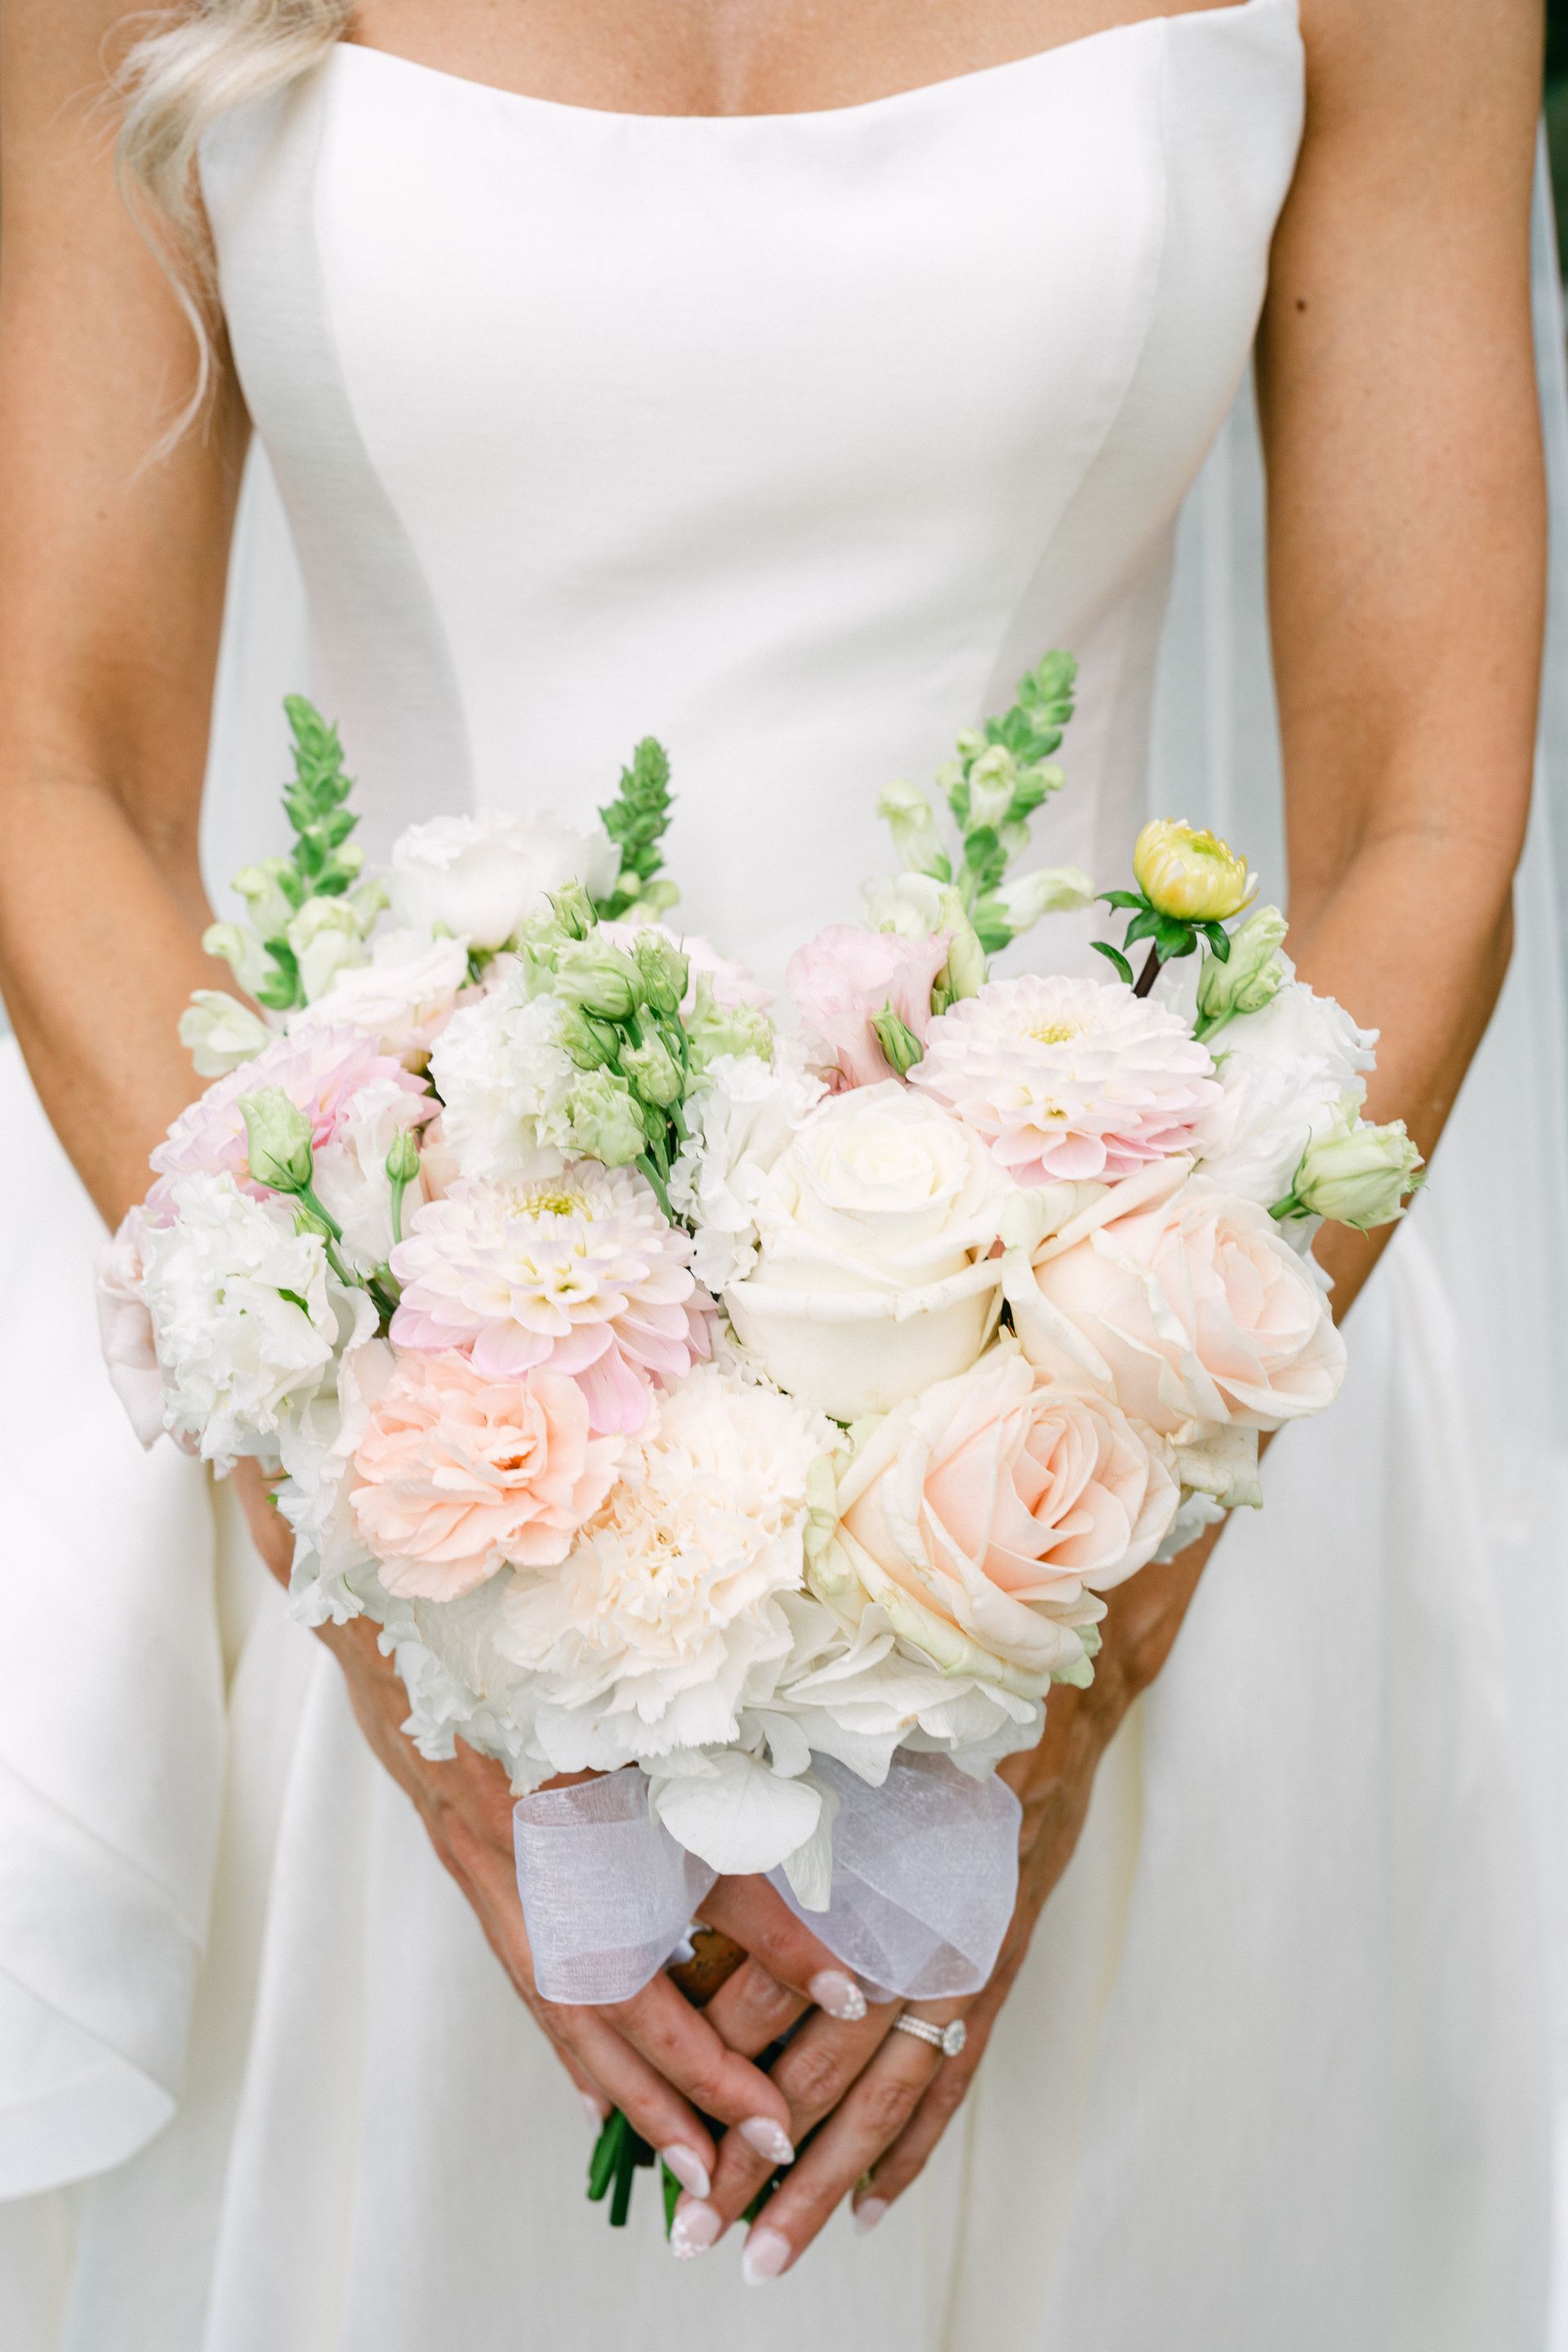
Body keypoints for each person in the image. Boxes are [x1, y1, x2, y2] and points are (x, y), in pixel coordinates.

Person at [0, 2, 1557, 2345]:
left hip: (1130, 1465)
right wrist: (408, 1639)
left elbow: (1421, 821)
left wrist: (1080, 1645)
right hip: (401, 1467)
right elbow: (55, 774)